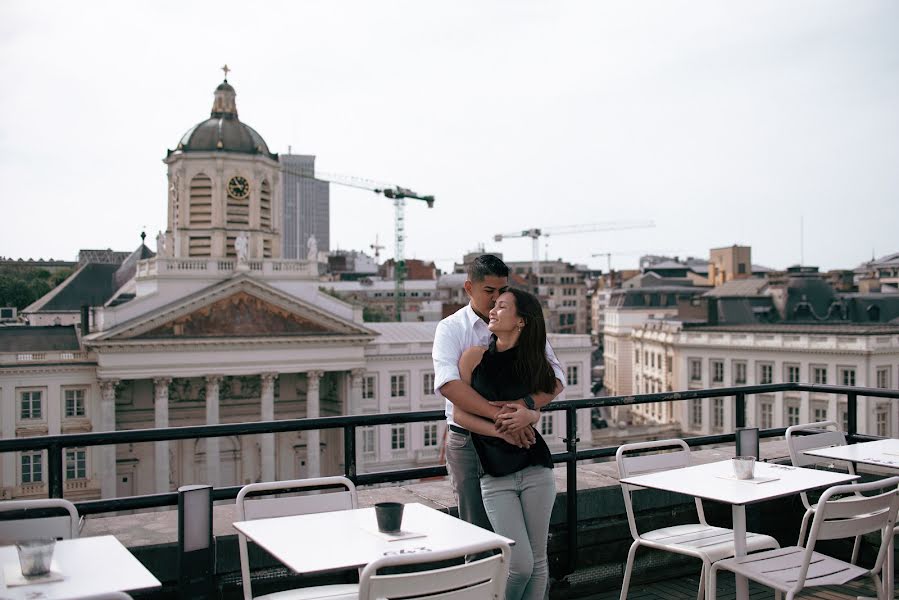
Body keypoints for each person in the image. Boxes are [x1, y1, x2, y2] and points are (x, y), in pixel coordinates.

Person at [432, 255, 564, 534]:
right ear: (469, 288)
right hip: (469, 442)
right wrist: (502, 417)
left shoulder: (521, 323)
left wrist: (526, 407)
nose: (495, 299)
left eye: (501, 291)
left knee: (520, 535)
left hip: (516, 438)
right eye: (488, 291)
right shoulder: (451, 329)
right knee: (476, 533)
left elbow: (556, 379)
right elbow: (450, 386)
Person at [455, 288, 557, 600]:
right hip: (494, 474)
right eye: (493, 306)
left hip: (536, 468)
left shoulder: (536, 363)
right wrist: (500, 431)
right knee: (520, 564)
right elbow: (459, 414)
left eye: (502, 307)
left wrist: (530, 413)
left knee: (538, 562)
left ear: (521, 321)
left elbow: (542, 400)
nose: (493, 312)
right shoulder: (474, 358)